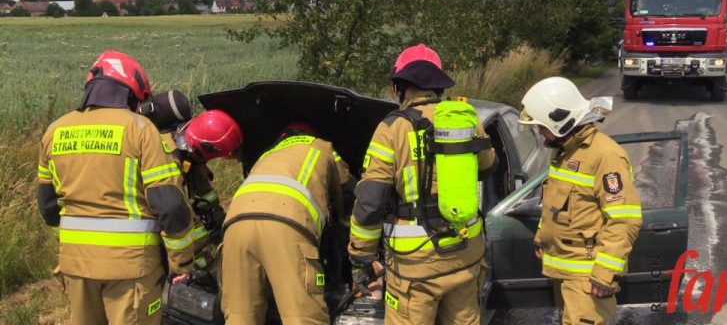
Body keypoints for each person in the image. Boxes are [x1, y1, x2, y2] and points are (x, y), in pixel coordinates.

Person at [36, 50, 196, 325]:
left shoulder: (54, 130)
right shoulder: (141, 130)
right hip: (131, 268)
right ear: (132, 92)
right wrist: (181, 262)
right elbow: (169, 204)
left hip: (75, 267)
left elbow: (48, 206)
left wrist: (73, 247)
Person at [348, 43, 497, 325]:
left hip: (416, 269)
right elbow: (489, 167)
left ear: (398, 87)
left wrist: (361, 257)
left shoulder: (391, 129)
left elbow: (370, 203)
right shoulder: (464, 118)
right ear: (437, 85)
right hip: (465, 256)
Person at [518, 76, 642, 325]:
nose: (540, 132)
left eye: (542, 127)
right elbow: (559, 204)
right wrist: (542, 237)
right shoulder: (567, 153)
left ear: (561, 121)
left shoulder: (606, 156)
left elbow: (624, 220)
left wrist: (604, 274)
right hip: (567, 271)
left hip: (587, 278)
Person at [220, 122, 351, 325]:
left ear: (283, 136)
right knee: (302, 317)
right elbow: (344, 187)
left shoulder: (266, 154)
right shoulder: (322, 147)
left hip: (235, 226)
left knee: (240, 316)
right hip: (287, 227)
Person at [139, 93, 241, 275]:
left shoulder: (190, 151)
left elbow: (205, 192)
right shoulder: (168, 158)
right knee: (198, 242)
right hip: (150, 226)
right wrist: (192, 263)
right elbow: (176, 210)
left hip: (170, 216)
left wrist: (223, 225)